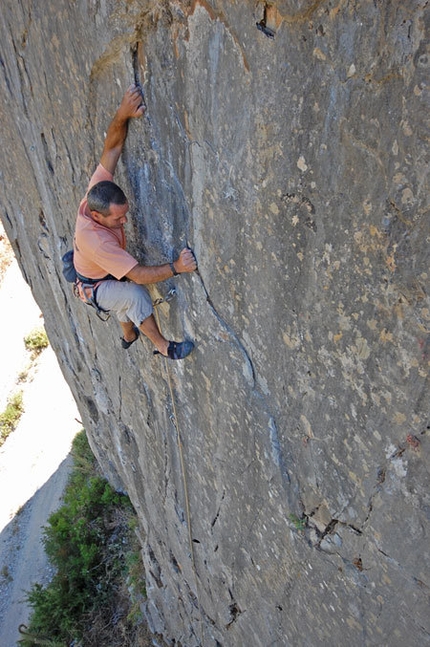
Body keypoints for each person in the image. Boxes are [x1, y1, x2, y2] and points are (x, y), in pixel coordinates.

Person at [73, 84, 197, 360]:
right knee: (133, 297)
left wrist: (123, 113)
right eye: (118, 218)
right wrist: (177, 267)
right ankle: (164, 347)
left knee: (121, 305)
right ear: (97, 217)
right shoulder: (96, 241)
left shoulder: (97, 194)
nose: (125, 220)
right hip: (95, 285)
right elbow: (138, 275)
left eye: (124, 212)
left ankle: (129, 335)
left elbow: (113, 147)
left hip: (99, 275)